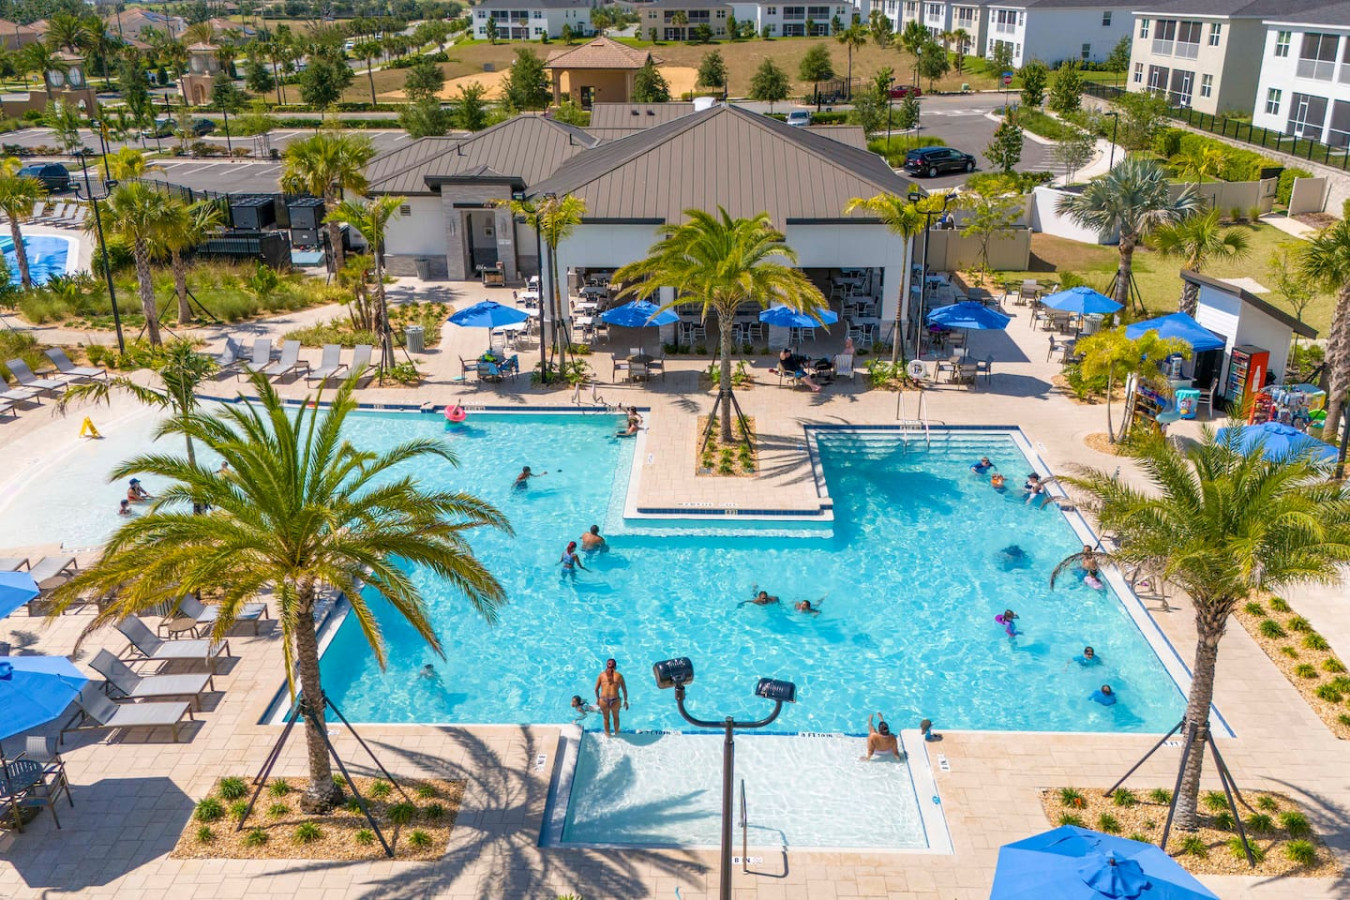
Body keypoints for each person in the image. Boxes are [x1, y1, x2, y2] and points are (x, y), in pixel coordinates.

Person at [594, 658, 628, 736]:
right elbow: (624, 690)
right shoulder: (619, 676)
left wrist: (597, 699)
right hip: (615, 700)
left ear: (606, 666)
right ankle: (617, 733)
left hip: (603, 700)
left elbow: (596, 689)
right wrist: (625, 701)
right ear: (615, 666)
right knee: (616, 718)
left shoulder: (601, 675)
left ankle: (607, 734)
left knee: (606, 718)